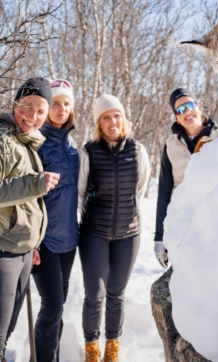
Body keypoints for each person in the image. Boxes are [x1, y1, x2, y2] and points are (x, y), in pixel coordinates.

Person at [78, 94, 150, 362]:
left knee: (116, 294)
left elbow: (140, 189)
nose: (112, 121)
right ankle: (91, 348)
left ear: (123, 119)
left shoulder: (138, 150)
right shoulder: (88, 152)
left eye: (116, 116)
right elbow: (81, 192)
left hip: (128, 235)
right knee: (94, 295)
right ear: (99, 123)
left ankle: (112, 347)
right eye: (106, 117)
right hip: (94, 234)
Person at [0, 77, 60, 361]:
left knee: (8, 328)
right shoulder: (3, 139)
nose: (33, 116)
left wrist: (33, 243)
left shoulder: (25, 142)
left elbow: (26, 206)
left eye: (40, 111)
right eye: (28, 106)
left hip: (23, 251)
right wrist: (37, 183)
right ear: (15, 104)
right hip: (3, 251)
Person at [32, 79, 79, 362]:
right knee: (51, 307)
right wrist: (33, 241)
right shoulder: (37, 141)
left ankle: (50, 356)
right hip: (44, 240)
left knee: (57, 307)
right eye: (56, 103)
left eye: (67, 103)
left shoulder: (72, 143)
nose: (62, 108)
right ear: (48, 107)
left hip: (69, 240)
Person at [154, 88, 218, 268]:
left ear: (198, 106)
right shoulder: (171, 145)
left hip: (216, 222)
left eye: (189, 105)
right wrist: (159, 237)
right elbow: (164, 191)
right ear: (176, 116)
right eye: (179, 109)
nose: (186, 112)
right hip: (183, 222)